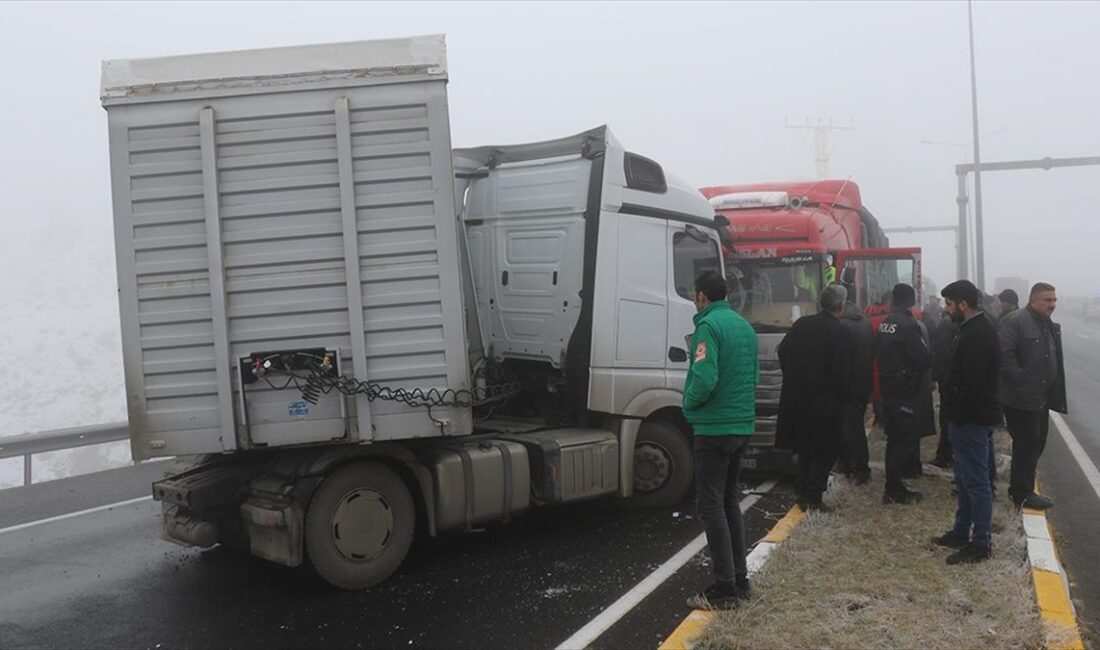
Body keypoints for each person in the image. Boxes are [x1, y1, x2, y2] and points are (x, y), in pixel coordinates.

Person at [682, 271, 760, 610]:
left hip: (714, 429)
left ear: (701, 296)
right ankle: (740, 580)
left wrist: (688, 403)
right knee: (730, 503)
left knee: (711, 506)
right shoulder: (744, 326)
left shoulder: (707, 328)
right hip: (741, 425)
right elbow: (753, 374)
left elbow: (705, 376)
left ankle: (724, 587)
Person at [933, 280, 1000, 565]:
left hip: (972, 419)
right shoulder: (971, 330)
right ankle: (961, 531)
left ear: (963, 304)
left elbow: (973, 385)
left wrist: (956, 413)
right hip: (967, 418)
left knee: (976, 483)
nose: (946, 310)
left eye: (949, 304)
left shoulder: (978, 335)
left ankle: (980, 542)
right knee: (964, 479)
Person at [776, 283, 852, 512]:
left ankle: (802, 492)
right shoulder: (839, 330)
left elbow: (782, 351)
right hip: (825, 402)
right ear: (841, 305)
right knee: (825, 451)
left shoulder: (802, 324)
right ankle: (814, 496)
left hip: (797, 399)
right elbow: (843, 370)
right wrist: (843, 397)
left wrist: (792, 376)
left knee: (804, 449)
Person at [998, 282, 1067, 511]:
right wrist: (1021, 381)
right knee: (1026, 445)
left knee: (1037, 442)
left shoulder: (1047, 324)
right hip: (1021, 398)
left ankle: (1023, 486)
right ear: (1033, 300)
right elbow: (1005, 356)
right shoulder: (1016, 321)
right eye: (1048, 300)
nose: (1052, 305)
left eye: (1054, 300)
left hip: (1041, 397)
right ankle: (1021, 493)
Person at [875, 283, 932, 504]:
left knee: (893, 439)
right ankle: (894, 488)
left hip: (888, 387)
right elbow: (923, 358)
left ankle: (893, 485)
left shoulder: (886, 323)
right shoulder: (908, 324)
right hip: (904, 389)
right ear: (911, 301)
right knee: (902, 440)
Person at [836, 289, 874, 485]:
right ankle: (856, 466)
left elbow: (839, 359)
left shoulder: (842, 325)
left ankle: (856, 467)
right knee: (855, 425)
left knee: (849, 428)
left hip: (848, 384)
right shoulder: (864, 322)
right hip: (863, 383)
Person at [929, 311, 958, 469]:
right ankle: (948, 455)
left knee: (947, 419)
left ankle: (945, 455)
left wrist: (934, 376)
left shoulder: (947, 324)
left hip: (948, 380)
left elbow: (939, 352)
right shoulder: (978, 323)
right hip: (956, 381)